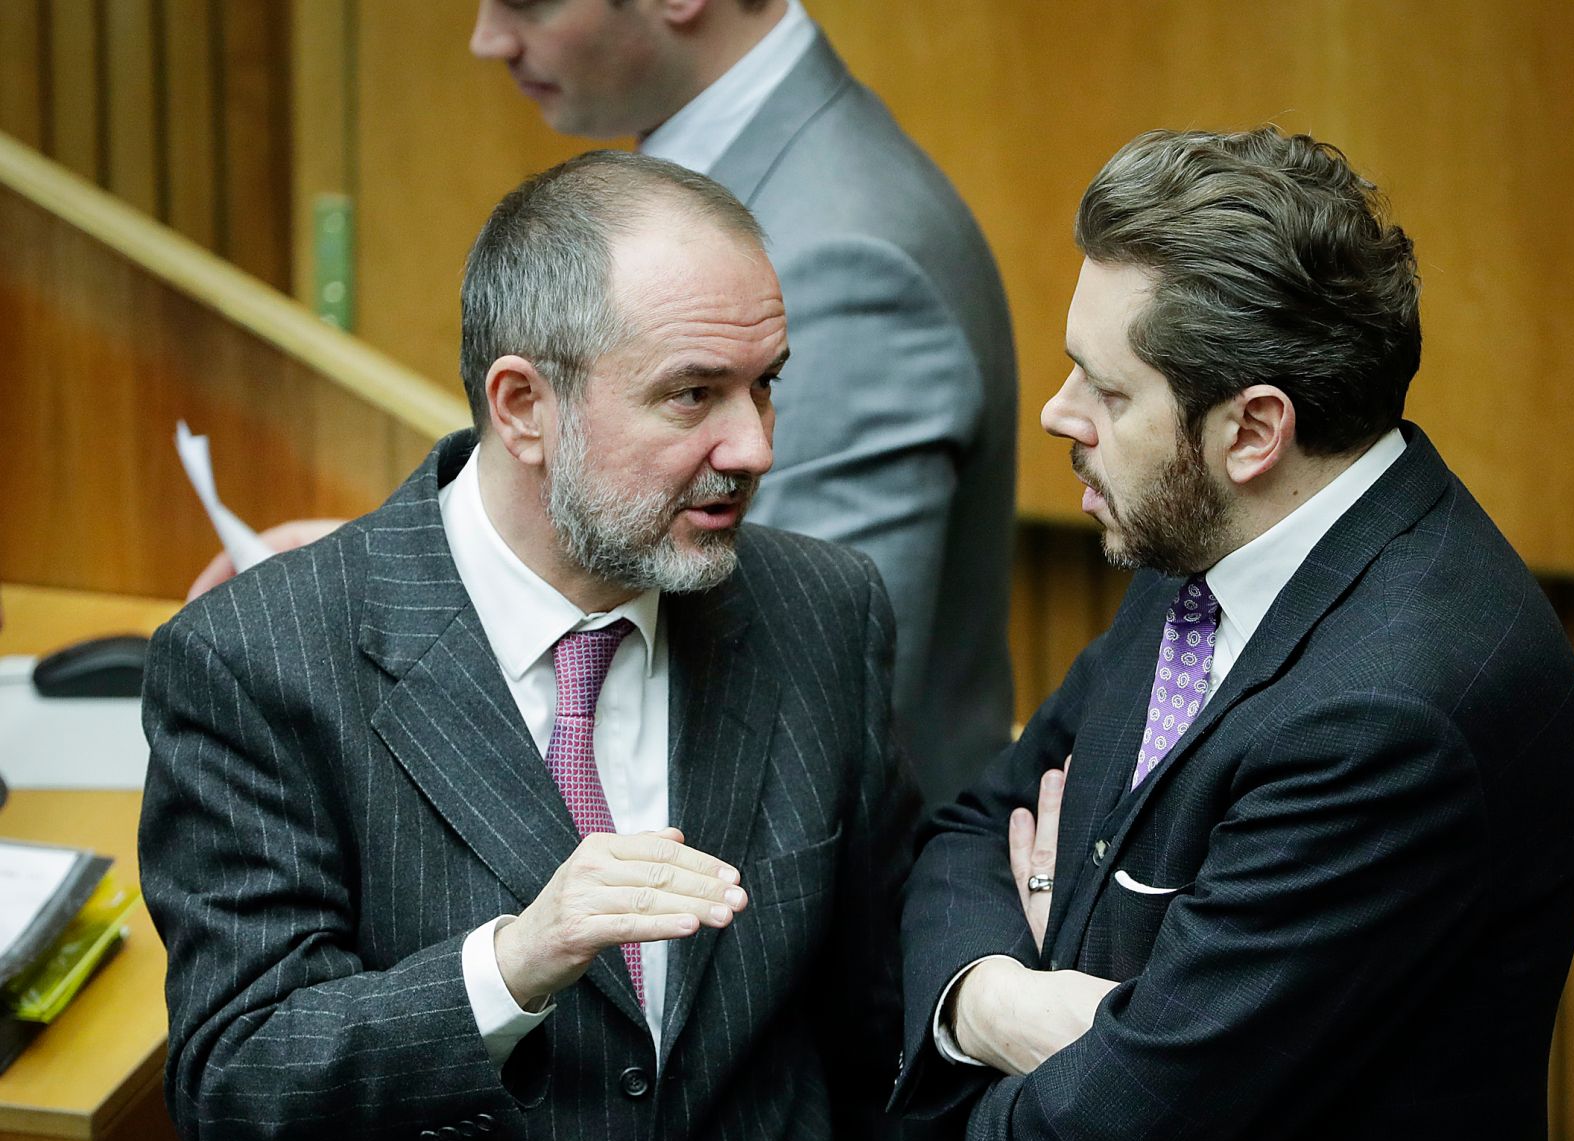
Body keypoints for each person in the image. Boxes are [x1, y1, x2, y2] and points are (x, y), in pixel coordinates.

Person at [142, 151, 961, 1141]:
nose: (751, 445)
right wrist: (509, 965)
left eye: (766, 386)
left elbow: (879, 1066)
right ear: (524, 404)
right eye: (693, 394)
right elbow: (240, 1097)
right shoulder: (264, 656)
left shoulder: (822, 616)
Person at [893, 127, 1574, 1141]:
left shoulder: (1397, 707)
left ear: (1253, 426)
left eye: (1104, 386)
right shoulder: (1207, 539)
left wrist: (1015, 1058)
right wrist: (1015, 1003)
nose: (1056, 413)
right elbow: (974, 830)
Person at [196, 0, 1018, 810]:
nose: (487, 37)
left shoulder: (846, 249)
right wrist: (408, 567)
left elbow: (781, 685)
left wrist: (425, 602)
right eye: (694, 391)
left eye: (525, 2)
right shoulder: (733, 176)